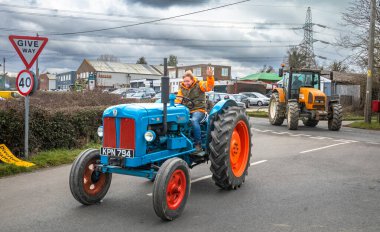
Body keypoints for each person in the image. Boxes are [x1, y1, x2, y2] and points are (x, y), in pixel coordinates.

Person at [176, 67, 214, 154]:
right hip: (187, 110)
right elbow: (178, 100)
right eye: (185, 81)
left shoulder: (199, 84)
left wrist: (210, 77)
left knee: (194, 120)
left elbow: (209, 87)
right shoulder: (182, 88)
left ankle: (198, 145)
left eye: (188, 81)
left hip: (199, 110)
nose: (186, 83)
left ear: (192, 80)